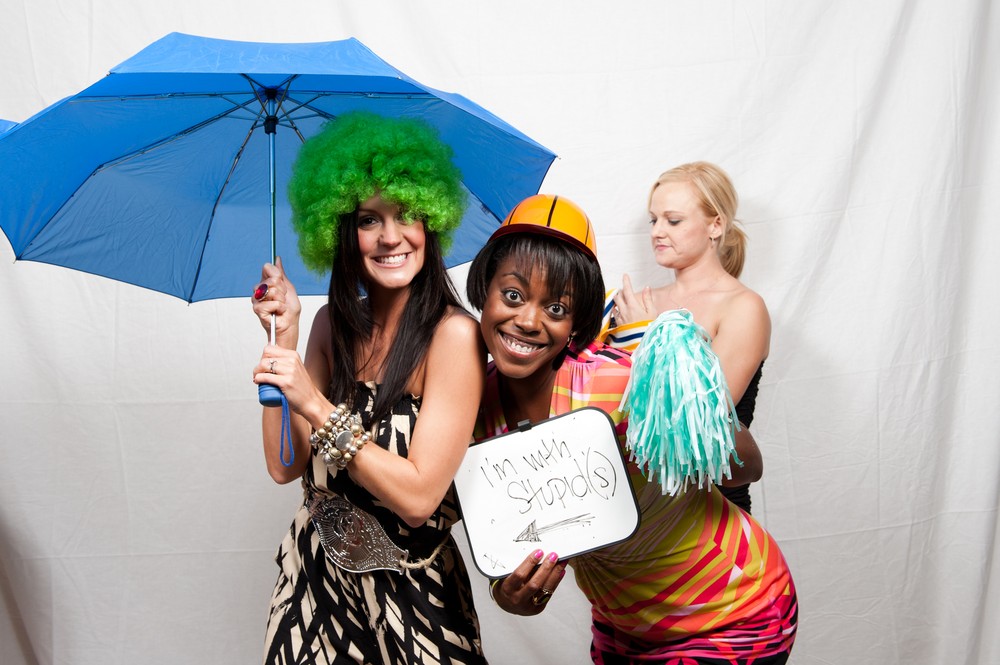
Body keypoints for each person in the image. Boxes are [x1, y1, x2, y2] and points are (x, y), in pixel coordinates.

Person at [466, 194, 797, 663]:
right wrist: (508, 595)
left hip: (732, 611)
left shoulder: (617, 382)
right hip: (622, 625)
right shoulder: (470, 406)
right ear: (485, 292)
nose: (528, 321)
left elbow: (748, 468)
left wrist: (684, 397)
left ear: (576, 323)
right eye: (513, 295)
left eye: (556, 308)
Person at [250, 111, 487, 664]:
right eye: (367, 220)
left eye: (406, 213)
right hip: (314, 590)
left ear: (431, 219)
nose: (390, 236)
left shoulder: (454, 336)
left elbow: (418, 499)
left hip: (413, 601)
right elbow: (285, 465)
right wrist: (286, 338)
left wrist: (315, 403)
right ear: (339, 231)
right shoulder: (330, 325)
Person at [606, 161, 768, 513]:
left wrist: (642, 335)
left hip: (712, 513)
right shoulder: (641, 302)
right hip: (642, 512)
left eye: (673, 220)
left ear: (715, 225)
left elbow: (699, 424)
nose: (657, 232)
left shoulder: (744, 307)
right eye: (654, 220)